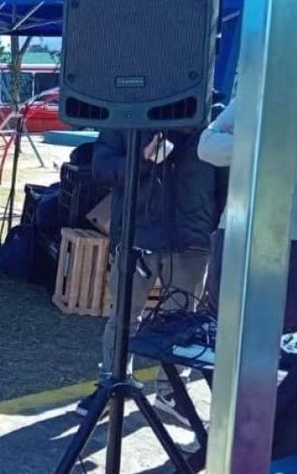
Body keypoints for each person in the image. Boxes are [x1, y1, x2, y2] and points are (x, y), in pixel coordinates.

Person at [76, 127, 217, 425]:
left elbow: (228, 174)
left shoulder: (211, 112)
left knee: (182, 320)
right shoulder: (130, 110)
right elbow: (102, 167)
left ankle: (171, 394)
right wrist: (141, 158)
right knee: (124, 315)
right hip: (137, 234)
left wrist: (214, 222)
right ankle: (112, 383)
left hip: (191, 237)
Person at [197, 97, 297, 333]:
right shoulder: (254, 94)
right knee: (225, 320)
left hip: (290, 237)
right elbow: (207, 145)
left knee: (287, 330)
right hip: (236, 231)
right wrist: (264, 146)